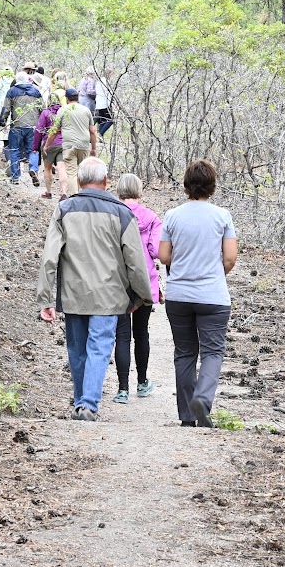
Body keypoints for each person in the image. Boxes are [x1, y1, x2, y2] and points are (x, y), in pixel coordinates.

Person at [35, 157, 154, 421]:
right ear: (106, 181)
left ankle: (82, 403)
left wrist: (45, 298)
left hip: (73, 294)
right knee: (99, 347)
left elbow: (49, 257)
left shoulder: (64, 210)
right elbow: (135, 261)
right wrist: (142, 297)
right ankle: (87, 404)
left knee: (77, 350)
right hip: (109, 296)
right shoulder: (122, 213)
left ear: (79, 181)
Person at [159, 159, 238, 427]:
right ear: (212, 185)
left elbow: (163, 256)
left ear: (186, 185)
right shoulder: (222, 216)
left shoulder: (172, 215)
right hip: (213, 296)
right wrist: (213, 273)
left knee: (184, 353)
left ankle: (187, 416)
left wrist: (184, 265)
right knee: (213, 352)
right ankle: (202, 400)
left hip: (178, 295)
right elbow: (230, 258)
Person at [111, 173, 162, 404]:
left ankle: (122, 389)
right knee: (141, 332)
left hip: (117, 281)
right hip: (144, 282)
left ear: (118, 191)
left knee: (122, 335)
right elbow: (156, 251)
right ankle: (142, 383)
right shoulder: (151, 218)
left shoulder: (112, 214)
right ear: (140, 192)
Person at [0, 69, 43, 185]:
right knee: (33, 150)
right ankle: (33, 169)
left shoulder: (12, 91)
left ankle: (15, 177)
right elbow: (42, 108)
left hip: (17, 126)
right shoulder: (36, 91)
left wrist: (2, 120)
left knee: (14, 150)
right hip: (33, 126)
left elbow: (6, 108)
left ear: (16, 80)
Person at [51, 88, 97, 197]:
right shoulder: (86, 110)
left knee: (71, 173)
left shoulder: (63, 110)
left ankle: (74, 197)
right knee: (82, 172)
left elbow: (54, 130)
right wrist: (94, 148)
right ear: (78, 98)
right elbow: (92, 131)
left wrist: (47, 144)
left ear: (67, 99)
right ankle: (84, 196)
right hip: (84, 145)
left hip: (69, 146)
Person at [34, 90, 64, 201]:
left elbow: (39, 130)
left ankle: (49, 192)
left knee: (47, 168)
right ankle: (64, 193)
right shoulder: (64, 112)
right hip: (63, 143)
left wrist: (35, 147)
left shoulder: (45, 113)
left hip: (49, 144)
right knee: (62, 168)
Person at [94, 70, 115, 138]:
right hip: (105, 104)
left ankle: (99, 137)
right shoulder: (106, 82)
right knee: (111, 120)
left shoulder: (99, 81)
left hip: (99, 104)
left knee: (103, 121)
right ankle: (100, 134)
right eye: (111, 75)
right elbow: (108, 94)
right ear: (108, 74)